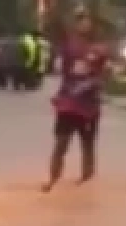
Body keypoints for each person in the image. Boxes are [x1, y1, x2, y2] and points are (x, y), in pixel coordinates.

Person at [43, 10, 108, 190]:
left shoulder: (100, 48)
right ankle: (53, 180)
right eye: (80, 21)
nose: (84, 25)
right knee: (61, 143)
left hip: (89, 105)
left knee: (87, 145)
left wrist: (99, 79)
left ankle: (86, 181)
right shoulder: (68, 45)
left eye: (88, 21)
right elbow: (58, 63)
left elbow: (107, 73)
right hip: (68, 102)